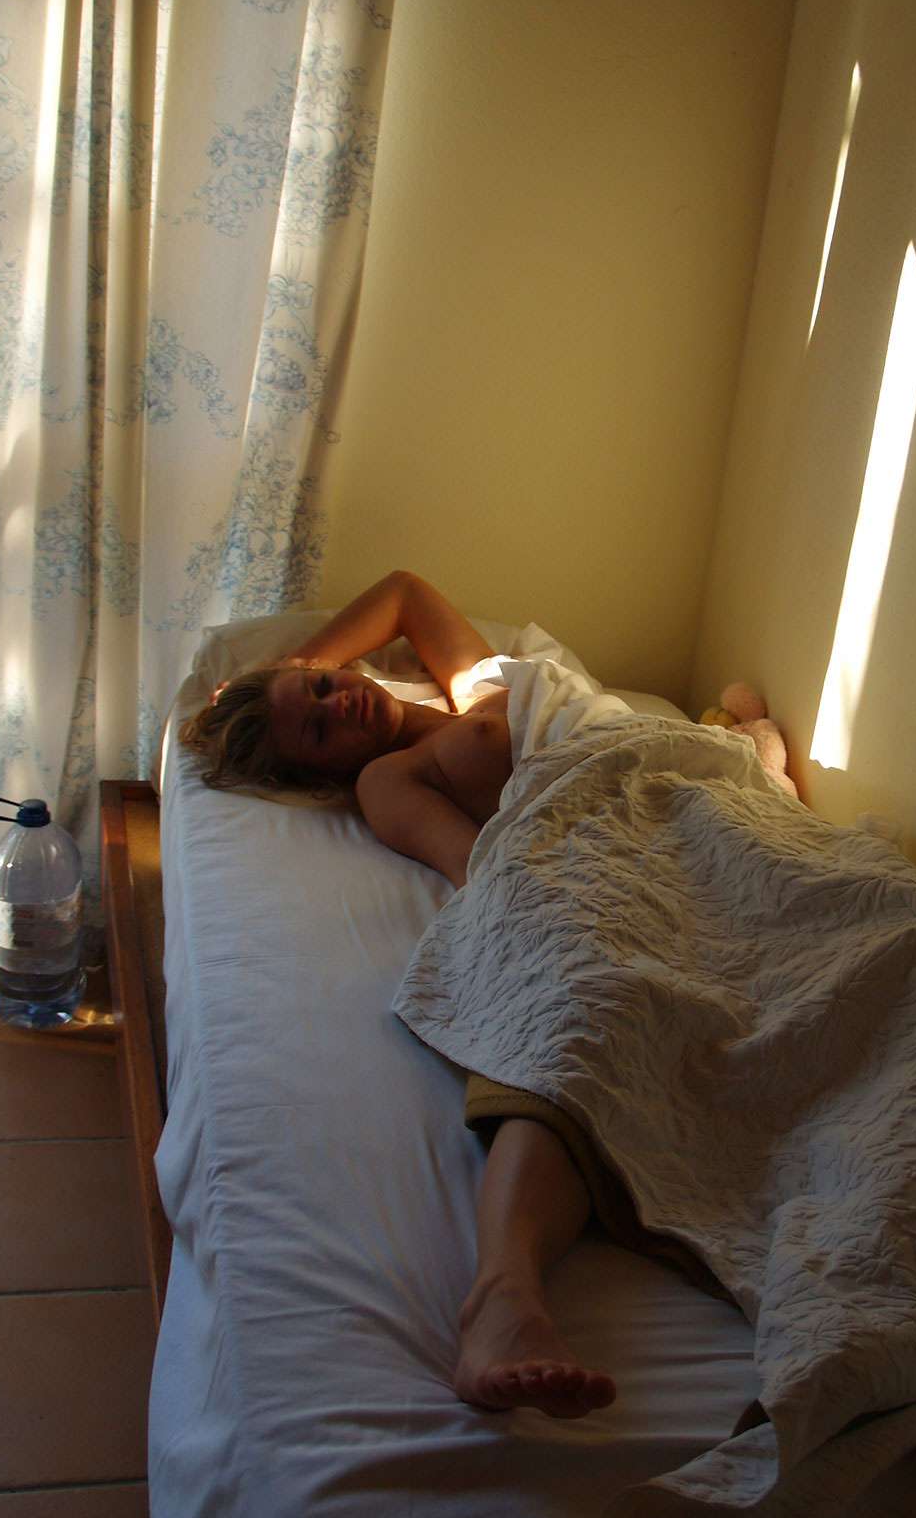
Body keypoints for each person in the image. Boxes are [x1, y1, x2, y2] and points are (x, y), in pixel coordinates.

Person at [182, 570, 618, 1419]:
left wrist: (289, 665)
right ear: (320, 774)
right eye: (318, 729)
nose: (339, 704)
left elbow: (408, 596)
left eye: (324, 688)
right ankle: (504, 1296)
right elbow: (483, 873)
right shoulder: (389, 780)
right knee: (570, 1020)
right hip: (597, 843)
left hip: (661, 781)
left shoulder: (479, 684)